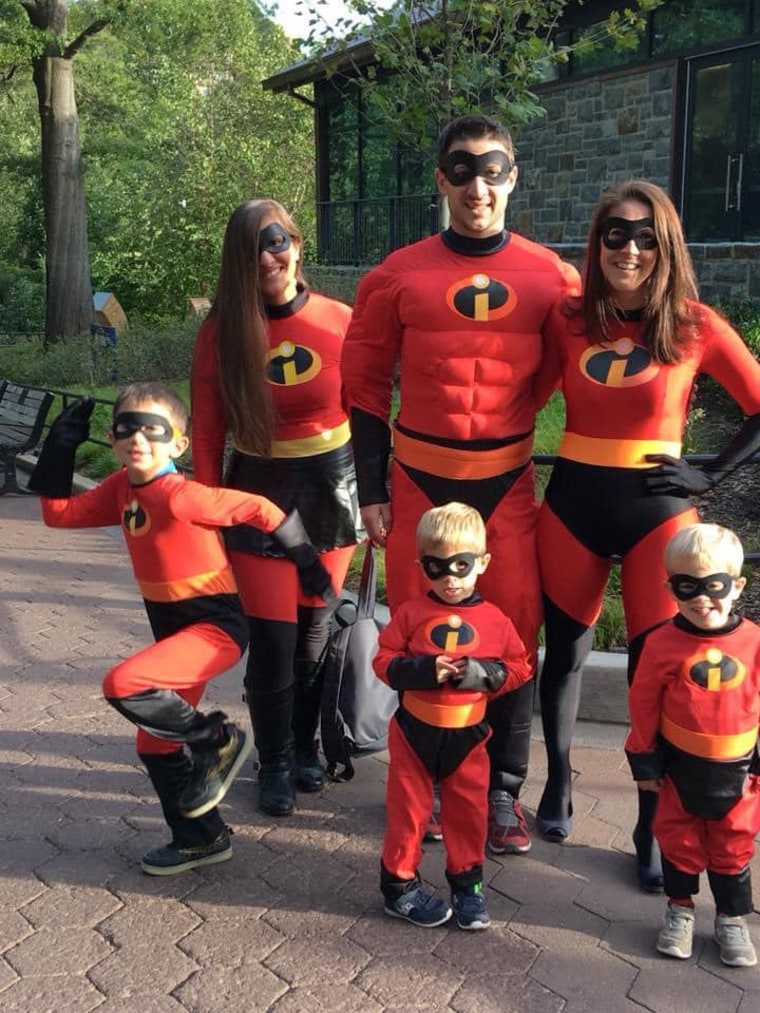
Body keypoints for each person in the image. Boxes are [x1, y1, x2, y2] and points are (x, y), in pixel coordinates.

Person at [341, 113, 580, 854]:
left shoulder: (553, 275)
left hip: (503, 477)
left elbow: (557, 374)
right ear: (441, 178)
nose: (478, 184)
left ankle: (502, 790)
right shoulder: (397, 272)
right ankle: (429, 782)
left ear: (515, 175)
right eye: (462, 168)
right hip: (417, 474)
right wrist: (372, 486)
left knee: (512, 632)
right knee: (421, 627)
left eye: (494, 167)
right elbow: (365, 380)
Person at [534, 180, 760, 892]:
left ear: (665, 247)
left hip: (659, 518)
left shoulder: (695, 324)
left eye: (645, 238)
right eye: (615, 235)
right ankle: (558, 781)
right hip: (572, 502)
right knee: (563, 655)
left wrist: (709, 475)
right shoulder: (567, 318)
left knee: (650, 673)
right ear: (596, 243)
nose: (628, 249)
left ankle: (649, 817)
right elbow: (519, 390)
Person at [28, 382, 330, 875]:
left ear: (178, 444)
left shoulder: (181, 495)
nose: (138, 438)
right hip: (175, 636)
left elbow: (261, 508)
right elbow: (58, 514)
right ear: (111, 438)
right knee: (154, 740)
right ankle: (201, 838)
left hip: (214, 629)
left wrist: (307, 562)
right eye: (127, 428)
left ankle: (219, 741)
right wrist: (57, 449)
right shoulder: (122, 489)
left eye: (153, 429)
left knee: (123, 683)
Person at [191, 199, 360, 818]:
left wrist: (380, 491)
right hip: (257, 489)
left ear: (296, 243)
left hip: (331, 487)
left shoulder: (342, 319)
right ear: (238, 261)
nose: (269, 256)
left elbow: (370, 414)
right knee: (272, 635)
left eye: (277, 241)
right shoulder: (221, 333)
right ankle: (276, 760)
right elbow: (207, 434)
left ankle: (308, 745)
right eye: (255, 248)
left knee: (315, 629)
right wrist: (209, 518)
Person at [374, 503, 530, 929]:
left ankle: (468, 887)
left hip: (469, 735)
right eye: (436, 567)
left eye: (462, 566)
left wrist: (481, 674)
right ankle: (399, 887)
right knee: (408, 812)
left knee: (467, 814)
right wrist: (424, 670)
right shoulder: (409, 613)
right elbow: (383, 662)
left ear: (483, 563)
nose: (450, 579)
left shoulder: (496, 621)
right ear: (420, 565)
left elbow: (519, 667)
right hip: (413, 733)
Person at [625, 524, 760, 966]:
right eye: (687, 588)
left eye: (714, 586)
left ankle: (732, 919)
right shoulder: (662, 642)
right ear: (670, 588)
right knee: (677, 839)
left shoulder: (754, 642)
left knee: (734, 842)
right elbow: (643, 701)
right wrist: (645, 763)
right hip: (679, 766)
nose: (702, 599)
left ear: (737, 586)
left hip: (738, 767)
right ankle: (679, 910)